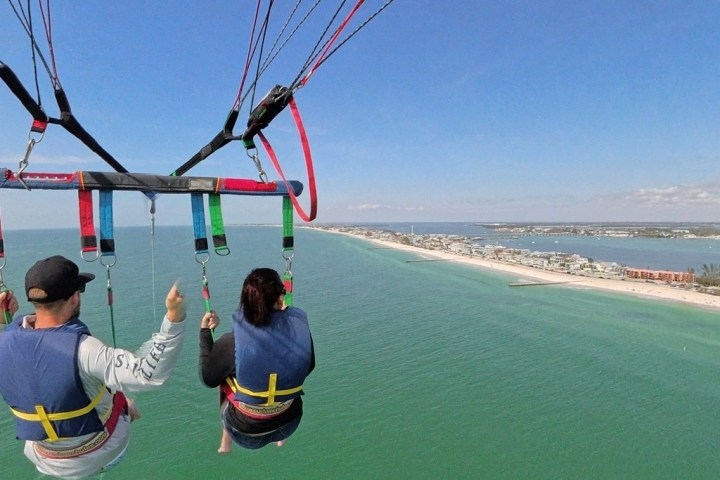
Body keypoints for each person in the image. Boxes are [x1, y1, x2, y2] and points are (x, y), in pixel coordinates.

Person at [0, 255, 187, 479]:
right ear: (74, 298)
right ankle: (126, 408)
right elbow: (149, 374)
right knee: (120, 396)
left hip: (42, 456)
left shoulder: (4, 340)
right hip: (97, 454)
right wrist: (175, 317)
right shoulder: (86, 350)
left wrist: (3, 320)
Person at [198, 267, 315, 451]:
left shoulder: (232, 342)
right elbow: (309, 366)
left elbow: (207, 378)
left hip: (245, 433)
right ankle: (279, 437)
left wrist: (205, 332)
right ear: (280, 298)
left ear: (245, 301)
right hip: (288, 423)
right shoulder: (299, 333)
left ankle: (226, 439)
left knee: (225, 376)